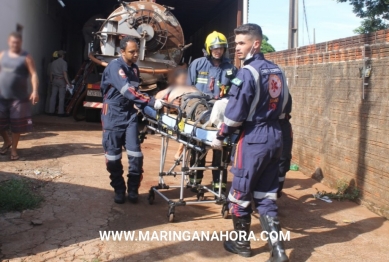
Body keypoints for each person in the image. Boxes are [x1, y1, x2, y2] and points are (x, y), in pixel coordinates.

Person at [211, 24, 289, 261]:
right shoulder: (278, 71)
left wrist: (221, 135)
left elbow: (234, 115)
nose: (237, 49)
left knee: (239, 194)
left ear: (256, 44)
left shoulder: (247, 73)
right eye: (236, 44)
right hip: (276, 136)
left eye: (242, 43)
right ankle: (278, 252)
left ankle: (242, 245)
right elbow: (285, 106)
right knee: (266, 196)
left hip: (254, 138)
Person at [100, 36, 162, 204]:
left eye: (137, 51)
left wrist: (149, 109)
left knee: (135, 154)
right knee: (113, 157)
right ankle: (119, 189)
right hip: (112, 114)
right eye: (131, 52)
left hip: (129, 114)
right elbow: (128, 91)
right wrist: (151, 101)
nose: (136, 55)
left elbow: (135, 92)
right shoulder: (115, 67)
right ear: (122, 52)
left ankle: (133, 189)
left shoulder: (134, 69)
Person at [187, 31, 237, 194]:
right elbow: (189, 88)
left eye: (221, 48)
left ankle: (219, 184)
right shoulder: (197, 64)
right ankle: (195, 181)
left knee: (220, 149)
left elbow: (237, 90)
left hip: (221, 111)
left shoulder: (231, 69)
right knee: (197, 147)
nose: (218, 51)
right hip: (201, 109)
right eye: (214, 48)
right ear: (208, 49)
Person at [0, 32, 39, 160]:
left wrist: (34, 91)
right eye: (13, 42)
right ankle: (7, 141)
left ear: (20, 43)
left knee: (16, 126)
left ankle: (14, 150)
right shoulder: (2, 55)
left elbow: (33, 74)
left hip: (19, 98)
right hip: (2, 96)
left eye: (17, 42)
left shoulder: (26, 57)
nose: (15, 44)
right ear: (9, 42)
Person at [278, 93, 293, 198]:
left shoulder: (285, 94)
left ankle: (277, 189)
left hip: (283, 126)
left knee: (283, 158)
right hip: (267, 125)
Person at [48, 50, 71, 117]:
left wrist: (51, 80)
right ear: (63, 55)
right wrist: (68, 82)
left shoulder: (53, 63)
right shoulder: (64, 63)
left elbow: (51, 73)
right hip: (61, 80)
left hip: (54, 80)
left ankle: (51, 111)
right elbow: (64, 73)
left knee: (53, 96)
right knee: (61, 97)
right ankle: (60, 112)